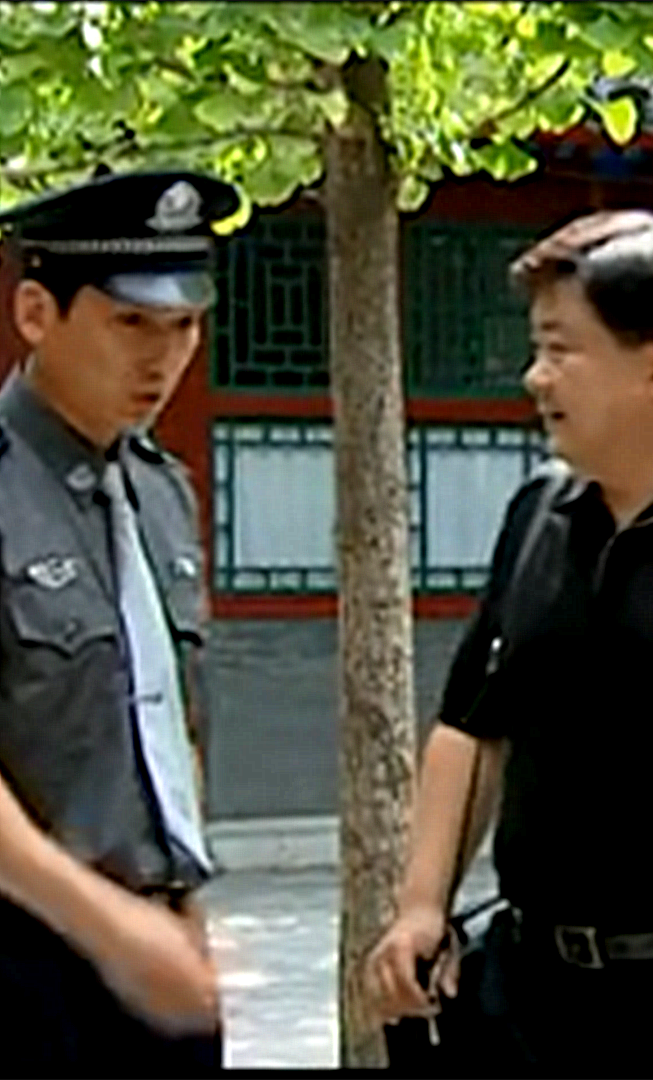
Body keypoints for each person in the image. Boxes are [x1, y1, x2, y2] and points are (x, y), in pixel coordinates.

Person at [365, 209, 653, 1070]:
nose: (534, 376)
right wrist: (422, 905)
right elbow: (472, 724)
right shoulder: (539, 513)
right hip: (528, 998)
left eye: (560, 349)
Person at [0, 169, 239, 1067]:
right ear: (37, 313)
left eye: (184, 325)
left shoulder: (161, 491)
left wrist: (180, 903)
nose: (163, 358)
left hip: (157, 959)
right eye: (132, 323)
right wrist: (109, 925)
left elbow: (167, 722)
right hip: (25, 959)